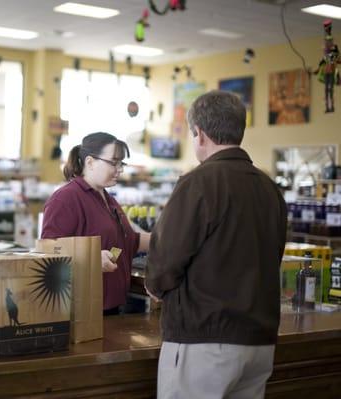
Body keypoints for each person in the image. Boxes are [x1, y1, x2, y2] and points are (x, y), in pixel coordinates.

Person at [145, 90, 287, 399]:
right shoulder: (269, 188)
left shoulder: (198, 182)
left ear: (199, 134)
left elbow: (165, 259)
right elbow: (274, 256)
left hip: (205, 340)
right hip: (259, 340)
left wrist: (154, 286)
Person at [41, 132, 151, 315]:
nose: (120, 169)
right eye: (114, 162)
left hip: (112, 307)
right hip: (83, 311)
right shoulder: (66, 198)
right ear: (90, 162)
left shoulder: (107, 198)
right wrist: (90, 259)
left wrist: (170, 239)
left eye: (121, 163)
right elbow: (47, 251)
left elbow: (129, 241)